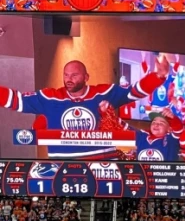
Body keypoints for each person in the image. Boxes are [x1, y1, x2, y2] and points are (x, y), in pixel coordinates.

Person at [0, 57, 170, 159]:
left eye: (74, 75)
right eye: (66, 75)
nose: (69, 79)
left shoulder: (102, 93)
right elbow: (17, 100)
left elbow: (133, 92)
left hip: (103, 163)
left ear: (86, 77)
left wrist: (157, 77)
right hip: (65, 164)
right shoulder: (50, 97)